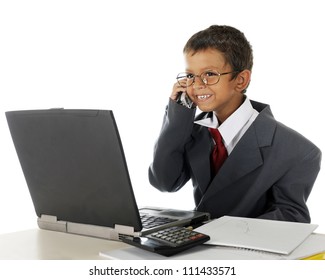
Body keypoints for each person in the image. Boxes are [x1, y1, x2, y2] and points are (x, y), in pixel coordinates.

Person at [148, 25, 322, 223]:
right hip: (198, 244)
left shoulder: (299, 151)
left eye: (210, 74)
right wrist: (178, 114)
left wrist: (220, 232)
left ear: (240, 80)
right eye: (190, 76)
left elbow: (291, 217)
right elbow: (165, 182)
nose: (196, 85)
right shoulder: (194, 131)